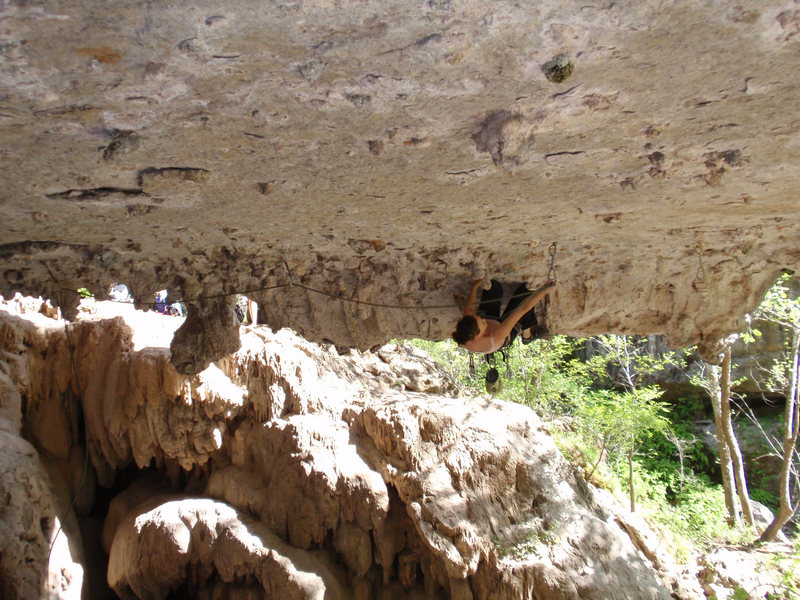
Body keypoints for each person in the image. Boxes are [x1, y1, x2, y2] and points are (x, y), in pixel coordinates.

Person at [452, 278, 556, 354]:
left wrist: (474, 286)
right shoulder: (497, 336)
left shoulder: (466, 328)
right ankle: (527, 335)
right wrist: (544, 290)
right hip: (504, 332)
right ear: (479, 335)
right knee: (526, 292)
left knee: (494, 287)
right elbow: (522, 309)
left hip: (493, 324)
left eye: (480, 319)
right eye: (483, 323)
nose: (484, 320)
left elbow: (469, 309)